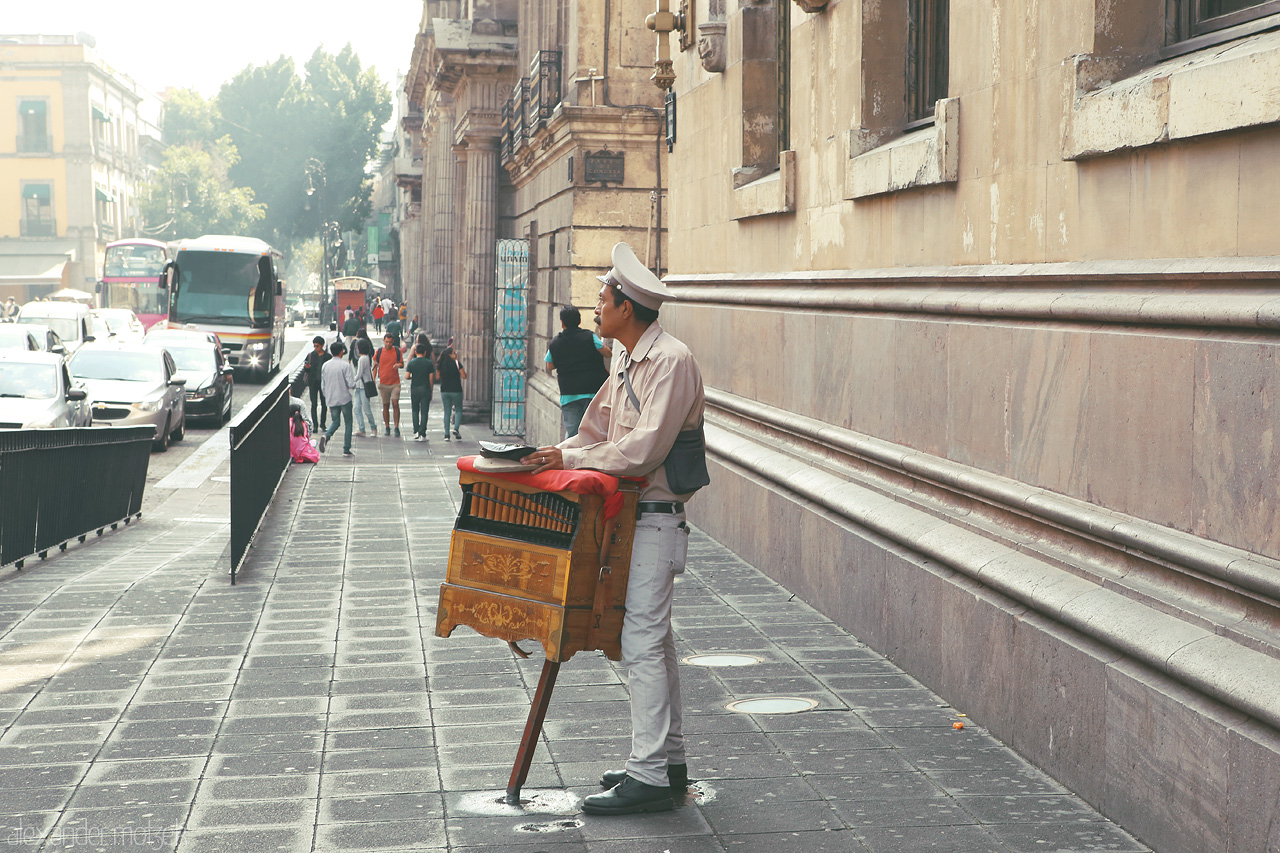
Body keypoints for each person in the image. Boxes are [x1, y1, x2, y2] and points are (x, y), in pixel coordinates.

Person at [521, 242, 705, 817]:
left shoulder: (671, 361)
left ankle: (648, 773)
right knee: (656, 641)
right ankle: (668, 762)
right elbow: (596, 426)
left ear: (627, 306)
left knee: (641, 642)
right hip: (631, 522)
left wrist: (575, 461)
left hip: (654, 518)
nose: (596, 307)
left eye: (602, 299)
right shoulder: (625, 357)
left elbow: (644, 448)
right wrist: (559, 449)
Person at [546, 305, 612, 438]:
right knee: (595, 430)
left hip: (569, 393)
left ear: (562, 322)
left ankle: (569, 456)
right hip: (593, 391)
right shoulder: (589, 336)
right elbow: (607, 353)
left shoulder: (555, 343)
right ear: (579, 321)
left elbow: (549, 366)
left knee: (572, 432)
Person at [375, 332, 404, 437]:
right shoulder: (379, 352)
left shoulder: (397, 351)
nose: (388, 344)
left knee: (395, 403)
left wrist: (398, 365)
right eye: (386, 342)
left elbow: (402, 364)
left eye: (390, 342)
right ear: (384, 341)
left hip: (395, 383)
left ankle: (396, 426)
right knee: (385, 405)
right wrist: (373, 379)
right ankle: (387, 426)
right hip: (383, 383)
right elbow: (375, 365)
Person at [405, 341, 435, 441]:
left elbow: (406, 376)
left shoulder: (412, 363)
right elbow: (431, 379)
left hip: (415, 388)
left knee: (415, 410)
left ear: (415, 352)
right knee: (424, 412)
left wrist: (413, 377)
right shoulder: (429, 363)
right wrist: (431, 391)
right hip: (425, 388)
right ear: (425, 352)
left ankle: (415, 431)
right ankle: (423, 433)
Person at [437, 345, 466, 441]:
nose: (456, 354)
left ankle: (446, 435)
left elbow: (437, 377)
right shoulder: (457, 363)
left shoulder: (441, 365)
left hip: (445, 390)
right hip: (456, 390)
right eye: (454, 353)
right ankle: (456, 428)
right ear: (449, 355)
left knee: (447, 412)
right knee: (458, 409)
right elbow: (464, 376)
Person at [302, 335, 330, 430]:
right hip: (313, 383)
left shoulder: (327, 357)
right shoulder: (311, 355)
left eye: (317, 346)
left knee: (324, 404)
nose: (316, 348)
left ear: (322, 346)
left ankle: (323, 423)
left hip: (324, 383)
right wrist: (306, 368)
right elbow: (306, 369)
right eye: (314, 346)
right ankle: (315, 425)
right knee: (313, 404)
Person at [353, 337, 378, 437]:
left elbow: (359, 374)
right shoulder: (366, 357)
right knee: (357, 408)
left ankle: (373, 427)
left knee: (366, 409)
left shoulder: (362, 359)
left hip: (363, 387)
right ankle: (362, 428)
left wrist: (350, 382)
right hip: (359, 386)